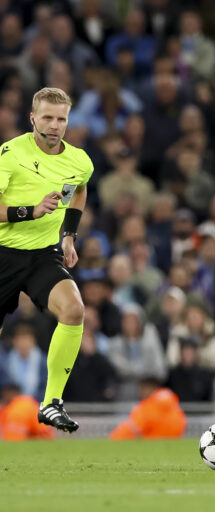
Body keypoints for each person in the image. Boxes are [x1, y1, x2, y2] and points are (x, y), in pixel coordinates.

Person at [0, 87, 93, 433]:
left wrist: (69, 235)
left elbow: (78, 188)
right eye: (48, 118)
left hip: (41, 254)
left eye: (62, 119)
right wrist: (31, 211)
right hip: (3, 251)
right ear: (33, 118)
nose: (55, 125)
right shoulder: (10, 154)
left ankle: (51, 402)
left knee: (74, 309)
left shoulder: (79, 160)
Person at [109, 378, 186, 440]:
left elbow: (131, 428)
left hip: (152, 446)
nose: (140, 393)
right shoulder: (173, 404)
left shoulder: (148, 407)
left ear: (150, 388)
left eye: (142, 389)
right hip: (173, 445)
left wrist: (114, 437)